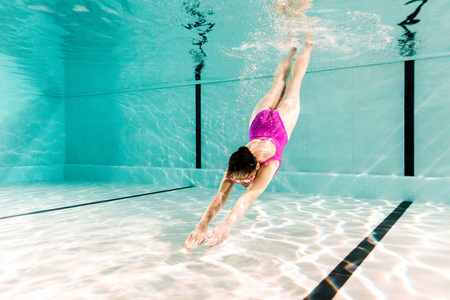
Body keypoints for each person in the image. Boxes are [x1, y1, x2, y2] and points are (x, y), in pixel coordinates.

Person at [185, 40, 314, 250]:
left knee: (293, 82)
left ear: (256, 167)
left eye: (249, 179)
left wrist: (226, 225)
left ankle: (308, 44)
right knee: (278, 82)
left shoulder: (269, 165)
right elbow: (221, 196)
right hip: (260, 120)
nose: (245, 184)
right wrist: (202, 225)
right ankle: (291, 47)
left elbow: (249, 197)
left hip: (280, 120)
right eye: (240, 181)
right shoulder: (236, 164)